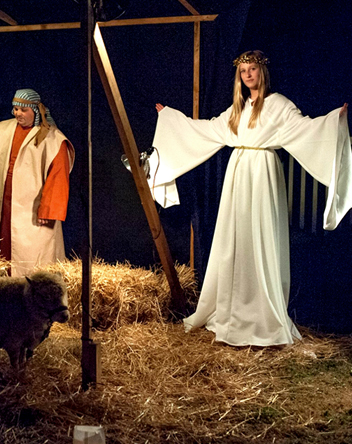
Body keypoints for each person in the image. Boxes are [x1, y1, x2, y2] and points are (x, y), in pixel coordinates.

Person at [150, 50, 351, 347]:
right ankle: (231, 307)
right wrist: (170, 118)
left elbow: (305, 128)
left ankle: (262, 313)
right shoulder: (238, 109)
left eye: (252, 69)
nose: (247, 75)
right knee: (236, 238)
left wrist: (334, 119)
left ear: (262, 72)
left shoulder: (279, 105)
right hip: (239, 173)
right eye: (243, 70)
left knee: (261, 236)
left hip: (264, 173)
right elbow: (207, 130)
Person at [0, 88, 75, 276]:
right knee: (4, 248)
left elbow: (58, 174)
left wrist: (49, 209)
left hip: (33, 209)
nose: (18, 114)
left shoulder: (52, 138)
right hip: (5, 203)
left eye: (23, 110)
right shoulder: (1, 130)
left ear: (36, 110)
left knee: (33, 259)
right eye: (15, 109)